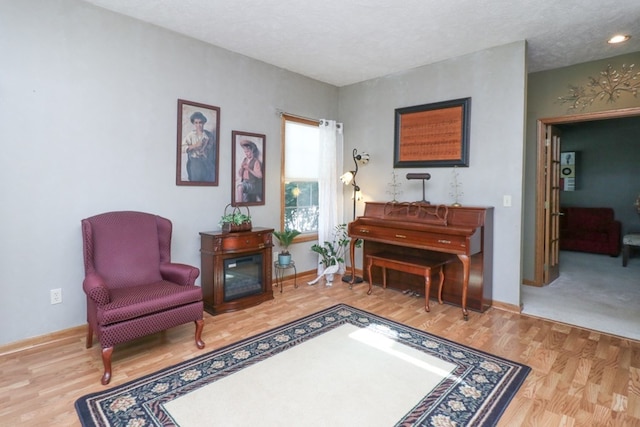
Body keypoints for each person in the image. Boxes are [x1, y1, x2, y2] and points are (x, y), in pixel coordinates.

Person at [182, 111, 216, 181]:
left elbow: (212, 149)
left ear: (203, 123)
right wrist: (195, 145)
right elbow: (182, 148)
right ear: (194, 123)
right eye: (196, 123)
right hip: (195, 162)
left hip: (207, 162)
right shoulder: (191, 135)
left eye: (200, 122)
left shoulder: (209, 135)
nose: (198, 125)